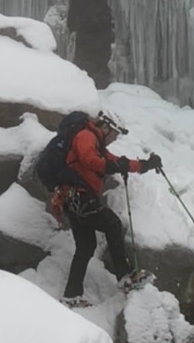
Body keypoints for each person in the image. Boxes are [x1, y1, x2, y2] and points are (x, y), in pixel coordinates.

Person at [52, 111, 161, 307]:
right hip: (79, 197)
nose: (115, 139)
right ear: (106, 127)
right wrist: (109, 166)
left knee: (85, 247)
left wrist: (145, 165)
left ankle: (71, 295)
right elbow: (89, 159)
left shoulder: (97, 143)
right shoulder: (86, 136)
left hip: (74, 199)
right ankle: (125, 276)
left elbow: (118, 161)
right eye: (115, 134)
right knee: (112, 223)